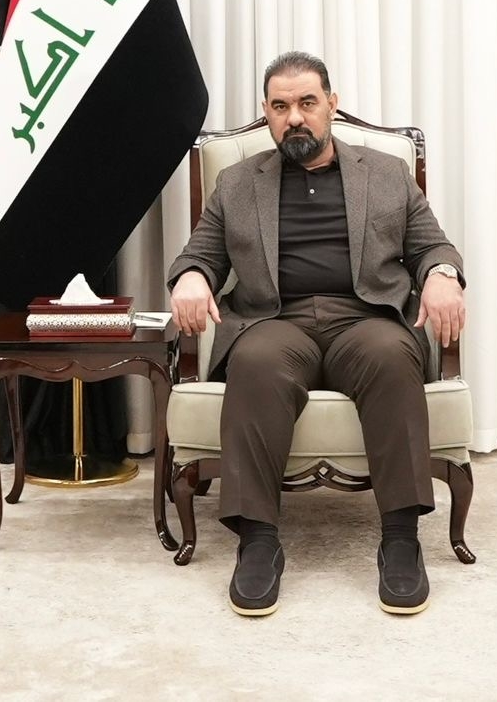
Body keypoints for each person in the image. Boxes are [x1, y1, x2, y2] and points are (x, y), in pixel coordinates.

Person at [167, 52, 466, 618]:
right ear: (266, 112)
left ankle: (401, 539)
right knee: (255, 363)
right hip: (276, 322)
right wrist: (190, 277)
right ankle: (258, 541)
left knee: (391, 356)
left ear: (332, 103)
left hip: (365, 318)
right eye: (281, 107)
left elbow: (432, 245)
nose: (295, 117)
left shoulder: (386, 173)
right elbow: (199, 254)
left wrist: (443, 275)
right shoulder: (237, 183)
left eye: (307, 102)